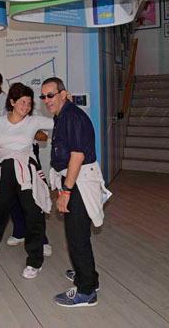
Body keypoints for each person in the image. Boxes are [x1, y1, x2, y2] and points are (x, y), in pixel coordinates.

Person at [42, 77, 108, 308]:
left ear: (63, 94)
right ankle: (87, 275)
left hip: (77, 182)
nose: (46, 100)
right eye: (44, 96)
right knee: (78, 233)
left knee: (76, 236)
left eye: (51, 95)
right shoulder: (64, 114)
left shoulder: (71, 116)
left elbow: (77, 155)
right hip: (74, 180)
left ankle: (86, 291)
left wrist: (66, 191)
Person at [0, 83, 54, 280]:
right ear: (12, 102)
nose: (26, 106)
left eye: (29, 103)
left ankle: (35, 260)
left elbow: (58, 122)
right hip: (5, 171)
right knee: (0, 211)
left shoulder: (34, 121)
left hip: (26, 170)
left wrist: (63, 101)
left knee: (33, 212)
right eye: (22, 102)